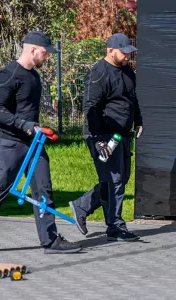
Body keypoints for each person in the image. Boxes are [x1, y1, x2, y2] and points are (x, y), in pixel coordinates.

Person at [0, 31, 82, 255]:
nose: (46, 58)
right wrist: (25, 125)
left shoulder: (34, 77)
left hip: (34, 144)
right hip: (9, 143)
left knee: (43, 189)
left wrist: (36, 128)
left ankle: (50, 240)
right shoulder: (8, 74)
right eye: (45, 53)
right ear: (32, 49)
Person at [68, 33, 143, 241]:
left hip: (121, 134)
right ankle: (115, 226)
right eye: (124, 52)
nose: (128, 56)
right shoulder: (98, 73)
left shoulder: (127, 71)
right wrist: (98, 138)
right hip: (103, 134)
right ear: (110, 51)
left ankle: (82, 206)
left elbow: (131, 98)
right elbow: (90, 108)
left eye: (130, 52)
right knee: (114, 180)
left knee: (122, 178)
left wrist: (138, 120)